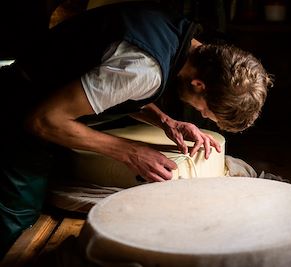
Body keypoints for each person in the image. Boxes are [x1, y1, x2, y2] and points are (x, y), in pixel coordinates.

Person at [0, 1, 272, 258]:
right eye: (205, 112)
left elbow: (115, 84)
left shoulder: (180, 34)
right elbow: (43, 121)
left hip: (48, 95)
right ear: (200, 85)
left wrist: (167, 122)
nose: (202, 115)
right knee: (17, 222)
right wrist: (131, 152)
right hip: (16, 105)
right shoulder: (145, 71)